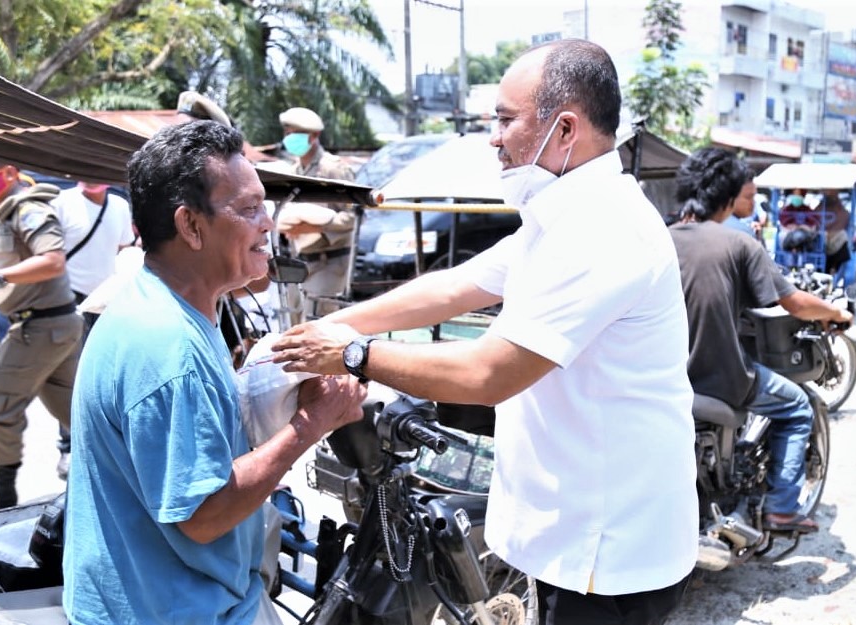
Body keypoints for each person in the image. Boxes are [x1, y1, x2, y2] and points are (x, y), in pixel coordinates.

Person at [272, 39, 697, 625]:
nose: (494, 139)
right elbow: (456, 287)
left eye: (504, 120)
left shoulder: (601, 227)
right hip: (580, 528)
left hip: (606, 548)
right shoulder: (564, 214)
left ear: (564, 129)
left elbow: (489, 372)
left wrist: (351, 353)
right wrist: (334, 323)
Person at [62, 120, 367, 625]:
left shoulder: (162, 306)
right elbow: (203, 516)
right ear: (190, 226)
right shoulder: (169, 347)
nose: (267, 224)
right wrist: (312, 422)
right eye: (248, 209)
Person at [668, 148, 853, 534]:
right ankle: (783, 508)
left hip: (659, 375)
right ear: (728, 197)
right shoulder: (739, 245)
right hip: (715, 377)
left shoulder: (658, 239)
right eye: (748, 197)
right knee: (797, 406)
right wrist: (836, 313)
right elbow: (795, 303)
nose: (753, 205)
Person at [0, 155, 82, 514]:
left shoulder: (28, 209)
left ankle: (2, 488)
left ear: (9, 173)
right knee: (77, 412)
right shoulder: (3, 211)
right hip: (48, 324)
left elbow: (52, 260)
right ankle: (120, 473)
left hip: (40, 326)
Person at [48, 181, 136, 478]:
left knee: (111, 375)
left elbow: (124, 251)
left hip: (107, 301)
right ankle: (69, 447)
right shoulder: (62, 203)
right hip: (70, 299)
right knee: (72, 377)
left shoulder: (119, 206)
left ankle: (110, 444)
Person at [275, 107, 357, 310]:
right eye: (287, 133)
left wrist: (314, 227)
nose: (289, 138)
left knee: (319, 320)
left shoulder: (333, 169)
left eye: (295, 134)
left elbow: (353, 217)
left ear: (314, 136)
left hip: (329, 264)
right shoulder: (293, 171)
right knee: (295, 320)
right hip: (299, 263)